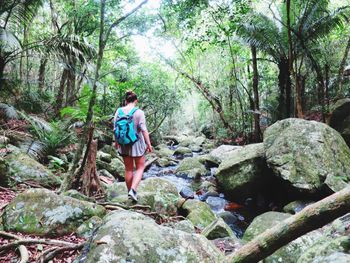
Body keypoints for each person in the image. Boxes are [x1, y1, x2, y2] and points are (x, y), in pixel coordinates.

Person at [113, 90, 152, 202]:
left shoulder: (118, 111)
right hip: (137, 143)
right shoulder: (139, 112)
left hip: (124, 144)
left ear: (125, 101)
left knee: (128, 169)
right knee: (140, 167)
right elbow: (144, 130)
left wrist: (116, 142)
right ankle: (133, 190)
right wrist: (148, 144)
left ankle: (130, 191)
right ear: (136, 101)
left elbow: (115, 128)